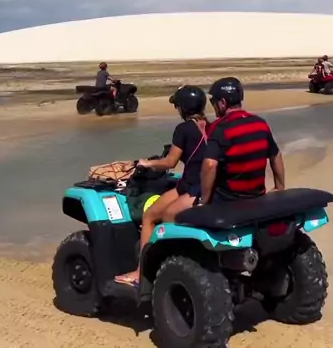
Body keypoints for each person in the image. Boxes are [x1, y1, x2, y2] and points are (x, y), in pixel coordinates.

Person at [114, 84, 208, 287]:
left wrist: (147, 163)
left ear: (183, 107)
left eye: (178, 106)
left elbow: (170, 162)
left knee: (149, 216)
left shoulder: (183, 129)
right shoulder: (211, 125)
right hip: (207, 185)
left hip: (190, 187)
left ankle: (140, 272)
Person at [200, 77, 285, 205]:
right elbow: (275, 155)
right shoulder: (260, 123)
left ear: (223, 103)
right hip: (258, 197)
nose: (213, 106)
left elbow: (210, 165)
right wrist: (279, 187)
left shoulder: (219, 128)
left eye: (213, 101)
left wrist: (204, 201)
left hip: (227, 200)